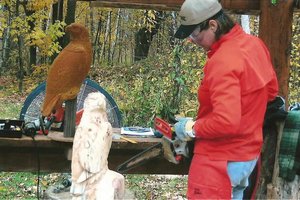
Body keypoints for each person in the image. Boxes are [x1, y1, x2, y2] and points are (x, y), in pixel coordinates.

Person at [173, 0, 279, 199]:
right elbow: (271, 93)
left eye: (195, 34)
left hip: (219, 162)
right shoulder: (255, 45)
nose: (193, 40)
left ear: (213, 25)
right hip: (248, 159)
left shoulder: (223, 61)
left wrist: (190, 128)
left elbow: (226, 121)